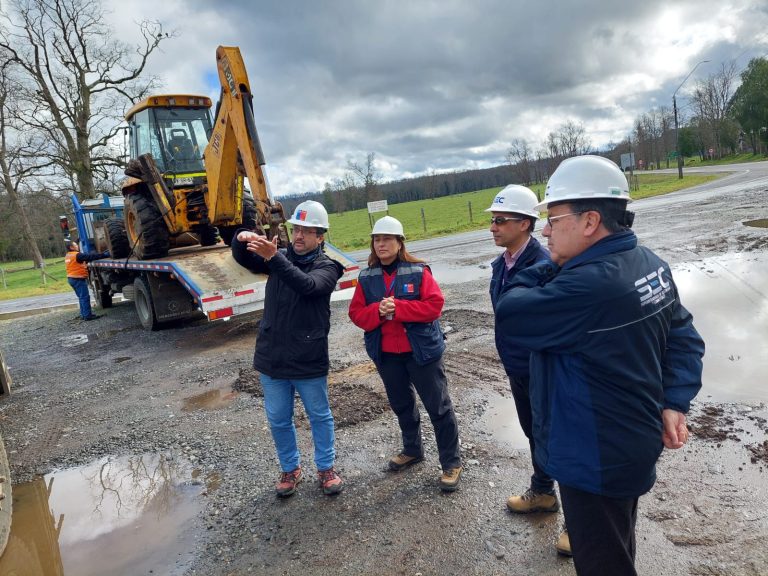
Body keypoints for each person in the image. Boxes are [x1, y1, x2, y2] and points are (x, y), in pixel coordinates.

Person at [495, 155, 704, 575]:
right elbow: (683, 338)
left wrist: (542, 267)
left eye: (554, 219)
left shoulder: (587, 285)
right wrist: (675, 401)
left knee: (603, 563)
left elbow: (511, 311)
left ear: (590, 221)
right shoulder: (647, 263)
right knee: (616, 547)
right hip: (629, 442)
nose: (547, 231)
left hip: (592, 457)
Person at [231, 200, 345, 498]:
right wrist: (242, 238)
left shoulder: (328, 267)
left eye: (307, 232)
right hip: (273, 357)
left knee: (319, 415)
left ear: (321, 237)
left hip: (307, 358)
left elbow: (308, 286)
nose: (298, 236)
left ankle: (325, 468)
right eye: (296, 229)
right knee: (278, 418)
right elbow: (243, 258)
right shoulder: (276, 256)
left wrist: (274, 258)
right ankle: (290, 468)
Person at [348, 216, 463, 492]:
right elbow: (356, 314)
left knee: (438, 407)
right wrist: (377, 311)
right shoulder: (366, 277)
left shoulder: (418, 271)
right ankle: (413, 450)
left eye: (387, 239)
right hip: (387, 355)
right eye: (377, 239)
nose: (381, 244)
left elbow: (434, 307)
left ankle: (451, 462)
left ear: (400, 243)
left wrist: (398, 309)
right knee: (402, 406)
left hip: (421, 353)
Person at [486, 186, 560, 516]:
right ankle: (543, 490)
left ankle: (578, 521)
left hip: (541, 367)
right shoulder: (503, 264)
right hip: (518, 367)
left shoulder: (545, 264)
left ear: (525, 224)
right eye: (492, 220)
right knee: (534, 431)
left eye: (500, 220)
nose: (493, 227)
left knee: (556, 436)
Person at [64, 240, 109, 321]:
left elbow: (82, 261)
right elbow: (89, 257)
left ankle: (83, 314)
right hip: (78, 279)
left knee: (81, 297)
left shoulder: (68, 255)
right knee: (84, 297)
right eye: (75, 245)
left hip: (71, 279)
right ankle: (88, 316)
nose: (77, 246)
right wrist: (104, 255)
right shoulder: (77, 255)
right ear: (71, 247)